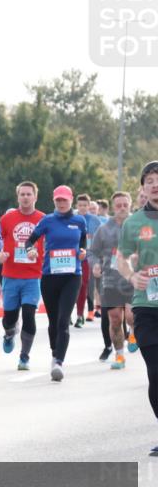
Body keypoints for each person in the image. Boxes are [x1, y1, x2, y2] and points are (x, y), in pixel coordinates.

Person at [116, 160, 158, 456]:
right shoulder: (133, 223)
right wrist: (132, 275)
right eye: (150, 181)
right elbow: (122, 258)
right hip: (147, 307)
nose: (155, 184)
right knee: (156, 372)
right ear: (143, 188)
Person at [25, 185, 87, 382]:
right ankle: (54, 354)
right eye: (58, 200)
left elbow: (83, 242)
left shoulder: (79, 221)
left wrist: (83, 251)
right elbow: (29, 241)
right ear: (54, 201)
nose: (61, 203)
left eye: (64, 200)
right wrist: (31, 250)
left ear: (71, 200)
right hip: (50, 276)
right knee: (53, 321)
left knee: (63, 320)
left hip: (72, 276)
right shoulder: (47, 221)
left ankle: (59, 361)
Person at [0, 181, 46, 370]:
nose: (25, 197)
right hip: (10, 275)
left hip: (33, 277)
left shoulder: (43, 219)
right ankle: (9, 333)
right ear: (18, 197)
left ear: (35, 197)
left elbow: (50, 245)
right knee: (9, 318)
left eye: (29, 194)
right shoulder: (7, 219)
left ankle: (24, 356)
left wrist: (39, 254)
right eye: (22, 194)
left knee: (28, 314)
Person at [90, 192, 137, 369]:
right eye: (119, 205)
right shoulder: (103, 229)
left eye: (125, 204)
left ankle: (133, 334)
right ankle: (119, 356)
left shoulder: (137, 225)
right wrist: (95, 265)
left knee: (132, 316)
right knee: (115, 319)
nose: (122, 208)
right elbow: (93, 252)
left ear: (130, 205)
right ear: (113, 207)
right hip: (110, 279)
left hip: (133, 278)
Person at [75, 193, 103, 326]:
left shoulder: (95, 220)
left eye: (85, 205)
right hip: (73, 257)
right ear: (76, 206)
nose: (82, 208)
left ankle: (89, 311)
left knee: (88, 285)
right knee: (73, 286)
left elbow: (99, 240)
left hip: (90, 255)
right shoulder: (72, 217)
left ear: (89, 205)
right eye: (80, 205)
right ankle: (71, 313)